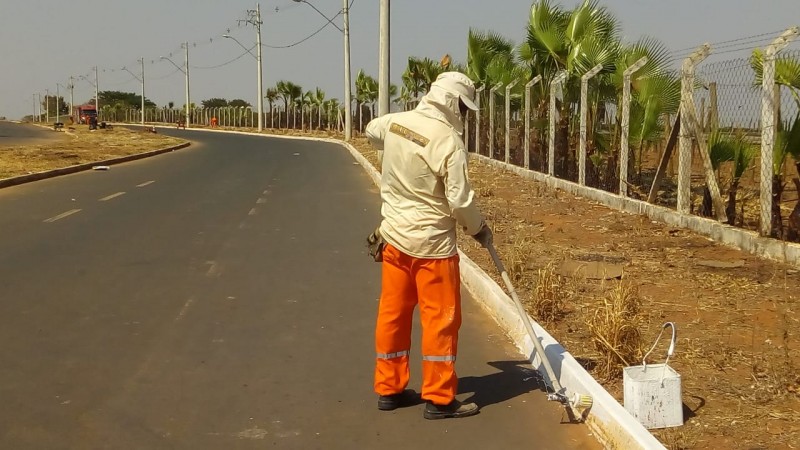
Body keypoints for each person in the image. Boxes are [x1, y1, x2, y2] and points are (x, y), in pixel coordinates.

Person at [365, 71, 493, 420]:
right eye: (464, 109)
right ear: (453, 103)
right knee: (440, 320)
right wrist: (479, 229)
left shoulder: (395, 123)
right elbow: (460, 201)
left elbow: (371, 130)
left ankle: (389, 389)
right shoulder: (447, 141)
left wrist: (394, 153)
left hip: (393, 241)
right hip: (433, 249)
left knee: (393, 315)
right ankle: (439, 399)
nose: (464, 116)